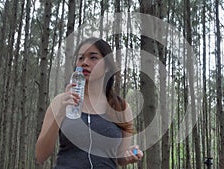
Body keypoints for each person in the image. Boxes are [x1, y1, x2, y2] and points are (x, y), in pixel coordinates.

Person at [35, 37, 143, 168]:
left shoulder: (121, 108)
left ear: (108, 66)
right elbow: (40, 155)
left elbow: (120, 158)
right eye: (81, 58)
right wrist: (59, 114)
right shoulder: (61, 102)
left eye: (93, 57)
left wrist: (130, 154)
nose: (84, 62)